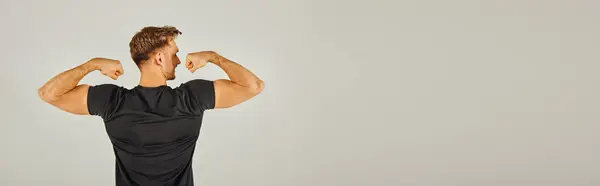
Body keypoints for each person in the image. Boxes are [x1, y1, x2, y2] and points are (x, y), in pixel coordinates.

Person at [37, 26, 265, 186]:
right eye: (174, 54)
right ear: (158, 58)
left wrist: (91, 65)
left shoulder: (113, 101)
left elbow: (49, 94)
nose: (178, 60)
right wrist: (214, 57)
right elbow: (253, 86)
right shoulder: (191, 98)